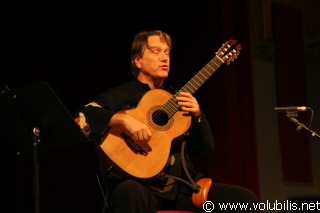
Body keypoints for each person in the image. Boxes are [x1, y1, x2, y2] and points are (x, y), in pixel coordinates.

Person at [76, 29, 259, 213]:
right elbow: (84, 117)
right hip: (142, 186)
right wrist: (124, 120)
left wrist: (197, 117)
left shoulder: (179, 99)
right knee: (127, 192)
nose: (164, 58)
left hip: (182, 186)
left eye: (166, 52)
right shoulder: (123, 94)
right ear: (137, 61)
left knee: (245, 200)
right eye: (156, 52)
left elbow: (204, 148)